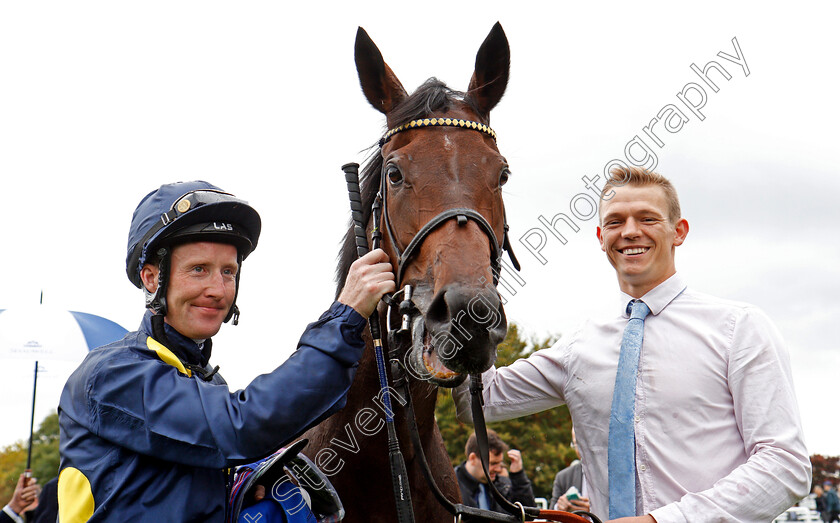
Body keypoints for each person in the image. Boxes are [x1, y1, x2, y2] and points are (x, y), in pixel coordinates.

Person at [455, 167, 811, 522]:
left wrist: (664, 521)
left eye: (647, 218)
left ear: (679, 232)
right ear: (600, 236)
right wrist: (436, 299)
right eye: (614, 222)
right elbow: (480, 401)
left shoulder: (740, 328)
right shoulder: (579, 345)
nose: (629, 232)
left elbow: (785, 465)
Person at [57, 181, 395, 521]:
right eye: (199, 269)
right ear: (151, 278)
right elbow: (241, 426)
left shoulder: (207, 383)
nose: (218, 290)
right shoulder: (111, 374)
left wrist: (238, 489)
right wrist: (346, 317)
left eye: (228, 272)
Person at [454, 429, 536, 514]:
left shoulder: (502, 485)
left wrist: (518, 476)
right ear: (473, 458)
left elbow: (528, 515)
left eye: (500, 463)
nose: (498, 469)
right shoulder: (451, 487)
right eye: (493, 463)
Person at [549, 427, 589, 513]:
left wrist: (596, 510)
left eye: (585, 441)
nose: (581, 448)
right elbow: (549, 518)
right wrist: (560, 508)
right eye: (576, 443)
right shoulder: (563, 477)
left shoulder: (616, 475)